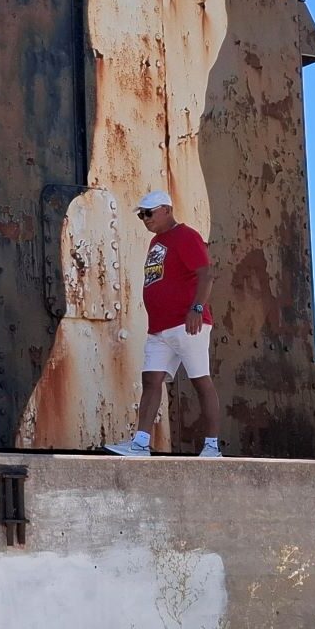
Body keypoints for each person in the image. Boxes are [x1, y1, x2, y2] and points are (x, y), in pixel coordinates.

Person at [105, 190, 222, 458]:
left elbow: (206, 274)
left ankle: (212, 446)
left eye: (149, 212)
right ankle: (140, 443)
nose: (144, 219)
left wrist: (196, 308)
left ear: (166, 210)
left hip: (187, 324)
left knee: (200, 380)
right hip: (159, 328)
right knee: (151, 379)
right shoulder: (157, 242)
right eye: (141, 215)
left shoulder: (185, 236)